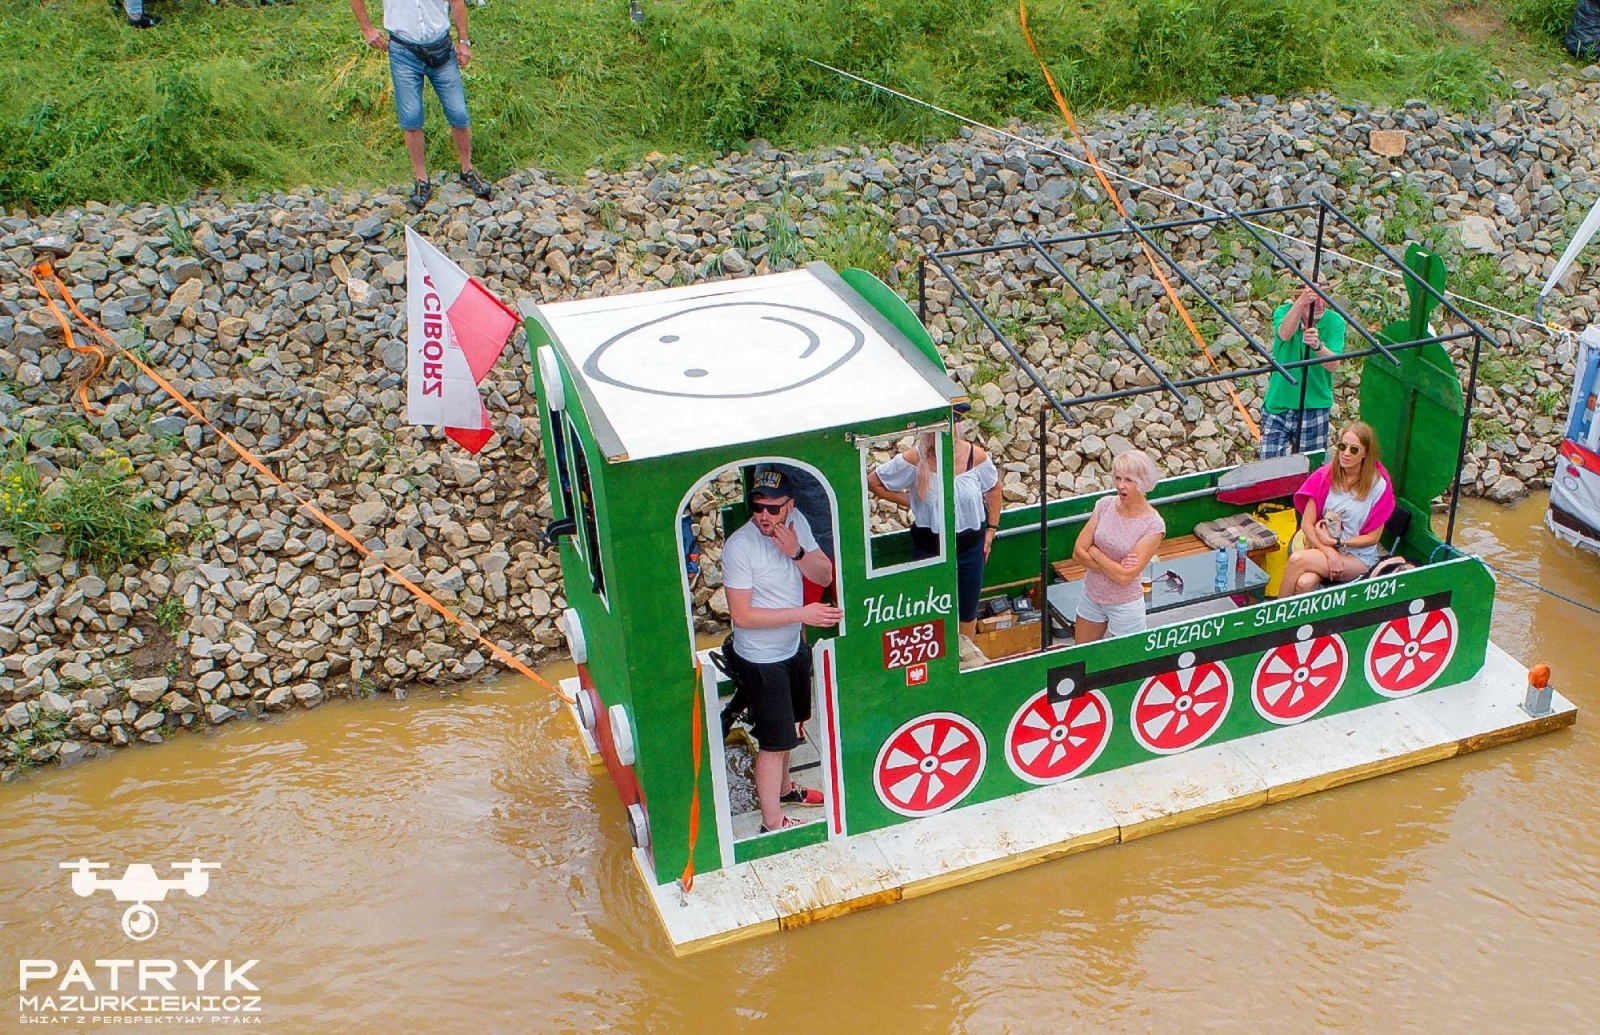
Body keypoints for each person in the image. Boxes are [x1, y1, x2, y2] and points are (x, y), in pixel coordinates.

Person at [720, 470, 843, 834]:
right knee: (773, 744)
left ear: (789, 506)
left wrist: (798, 552)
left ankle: (787, 790)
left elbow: (823, 575)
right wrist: (802, 614)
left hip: (791, 647)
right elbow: (741, 616)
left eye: (773, 509)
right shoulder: (740, 547)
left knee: (790, 728)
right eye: (757, 507)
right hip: (761, 659)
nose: (764, 516)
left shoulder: (798, 523)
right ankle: (772, 823)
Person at [867, 408, 1002, 640]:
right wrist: (912, 502)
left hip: (970, 547)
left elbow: (994, 488)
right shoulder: (914, 459)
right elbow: (875, 482)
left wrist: (991, 531)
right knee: (928, 609)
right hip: (929, 547)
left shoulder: (974, 456)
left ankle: (966, 658)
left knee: (968, 608)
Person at [350, 0, 495, 212]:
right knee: (411, 118)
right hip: (403, 52)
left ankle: (467, 169)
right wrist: (367, 29)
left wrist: (464, 41)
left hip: (442, 49)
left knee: (459, 113)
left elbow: (456, 2)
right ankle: (421, 179)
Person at [1280, 421, 1396, 596]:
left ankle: (1277, 617)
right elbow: (1307, 523)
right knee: (1304, 583)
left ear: (1365, 453)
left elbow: (1373, 538)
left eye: (1354, 449)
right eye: (1342, 446)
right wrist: (1330, 552)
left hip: (1356, 556)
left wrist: (1339, 544)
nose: (1346, 454)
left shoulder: (1378, 486)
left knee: (1297, 560)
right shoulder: (1325, 476)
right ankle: (1302, 621)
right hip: (1323, 545)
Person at [1072, 450, 1165, 643]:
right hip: (1091, 594)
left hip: (1125, 604)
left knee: (1124, 666)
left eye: (1129, 480)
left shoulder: (1153, 525)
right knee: (1080, 657)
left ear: (1143, 482)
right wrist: (1115, 567)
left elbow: (1125, 577)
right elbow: (1077, 553)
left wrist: (1095, 551)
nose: (1121, 486)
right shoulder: (1104, 505)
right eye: (1118, 478)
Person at [1260, 282, 1346, 459]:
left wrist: (1317, 345)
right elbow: (1284, 334)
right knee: (1268, 467)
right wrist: (1301, 304)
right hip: (1278, 404)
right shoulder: (1284, 312)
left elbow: (1333, 365)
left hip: (1314, 406)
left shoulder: (1335, 321)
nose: (1320, 303)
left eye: (1324, 296)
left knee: (1308, 468)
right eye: (1314, 297)